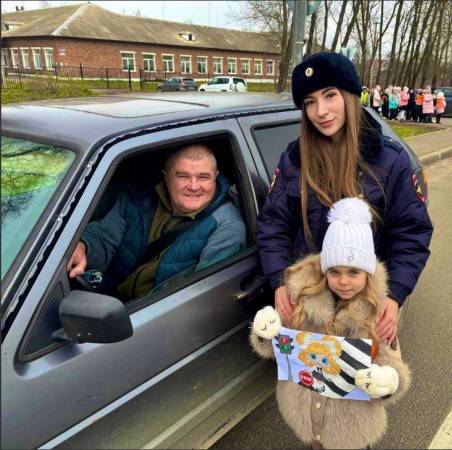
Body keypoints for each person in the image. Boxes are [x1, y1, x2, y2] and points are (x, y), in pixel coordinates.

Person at [256, 51, 433, 345]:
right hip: (310, 307)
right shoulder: (294, 159)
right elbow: (273, 226)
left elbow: (410, 233)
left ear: (349, 96)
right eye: (309, 103)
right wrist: (278, 281)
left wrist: (394, 295)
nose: (320, 111)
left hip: (364, 309)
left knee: (368, 384)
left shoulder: (390, 160)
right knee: (307, 386)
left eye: (329, 96)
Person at [251, 198, 412, 450]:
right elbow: (279, 347)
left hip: (352, 425)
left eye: (353, 272)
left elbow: (392, 362)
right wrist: (266, 331)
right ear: (324, 270)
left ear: (367, 272)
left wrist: (389, 381)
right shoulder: (302, 297)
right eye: (335, 272)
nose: (344, 281)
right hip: (306, 414)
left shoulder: (377, 310)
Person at [67, 144, 246, 299]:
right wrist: (83, 245)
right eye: (183, 176)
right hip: (108, 296)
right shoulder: (139, 199)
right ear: (166, 176)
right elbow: (104, 236)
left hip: (152, 312)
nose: (193, 186)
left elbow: (201, 293)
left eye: (203, 177)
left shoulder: (227, 227)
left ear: (215, 176)